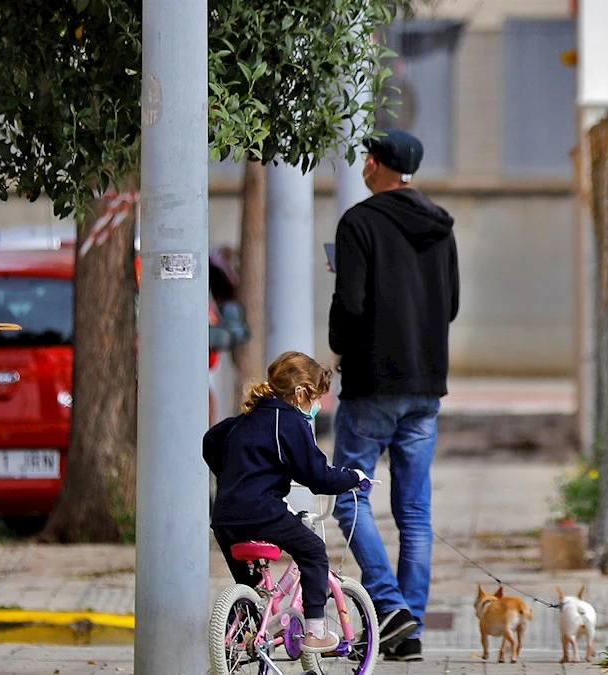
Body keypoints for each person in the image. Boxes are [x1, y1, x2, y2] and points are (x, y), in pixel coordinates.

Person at [328, 128, 460, 662]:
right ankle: (410, 631)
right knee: (414, 513)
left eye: (367, 156)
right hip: (426, 385)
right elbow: (449, 306)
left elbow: (351, 306)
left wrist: (339, 343)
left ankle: (388, 605)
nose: (362, 162)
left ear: (379, 166)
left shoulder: (359, 223)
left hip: (372, 385)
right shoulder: (440, 227)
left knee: (348, 497)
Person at [203, 350, 370, 653]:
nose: (316, 406)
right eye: (315, 398)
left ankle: (246, 637)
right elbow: (317, 476)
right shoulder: (290, 421)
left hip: (225, 517)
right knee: (314, 552)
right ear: (300, 392)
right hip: (261, 512)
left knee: (254, 590)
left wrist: (231, 476)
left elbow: (210, 441)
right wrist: (353, 478)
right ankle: (316, 631)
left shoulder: (245, 419)